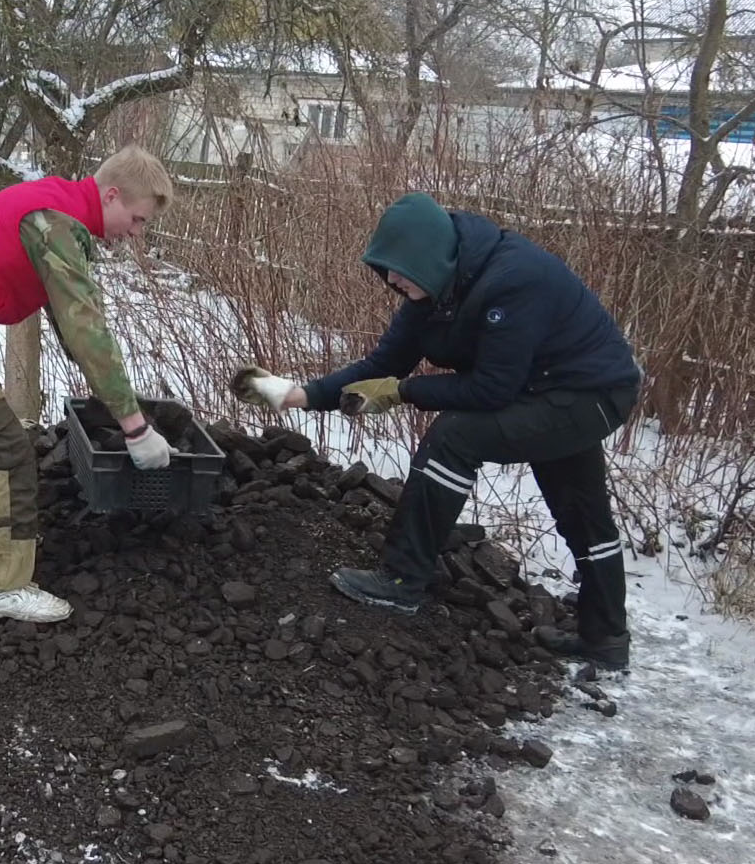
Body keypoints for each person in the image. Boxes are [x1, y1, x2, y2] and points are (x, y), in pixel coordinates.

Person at [231, 192, 642, 671]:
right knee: (582, 512)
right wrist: (297, 394)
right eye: (386, 270)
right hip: (546, 391)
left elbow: (491, 389)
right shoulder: (435, 288)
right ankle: (606, 637)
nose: (391, 280)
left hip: (591, 395)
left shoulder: (512, 280)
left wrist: (402, 392)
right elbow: (384, 363)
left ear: (429, 256)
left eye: (399, 269)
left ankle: (403, 579)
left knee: (456, 437)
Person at [0, 144, 176, 624]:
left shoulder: (60, 207)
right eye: (139, 219)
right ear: (113, 195)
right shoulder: (57, 225)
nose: (137, 233)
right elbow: (88, 330)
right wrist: (136, 427)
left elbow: (71, 322)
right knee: (3, 446)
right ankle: (1, 587)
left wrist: (108, 392)